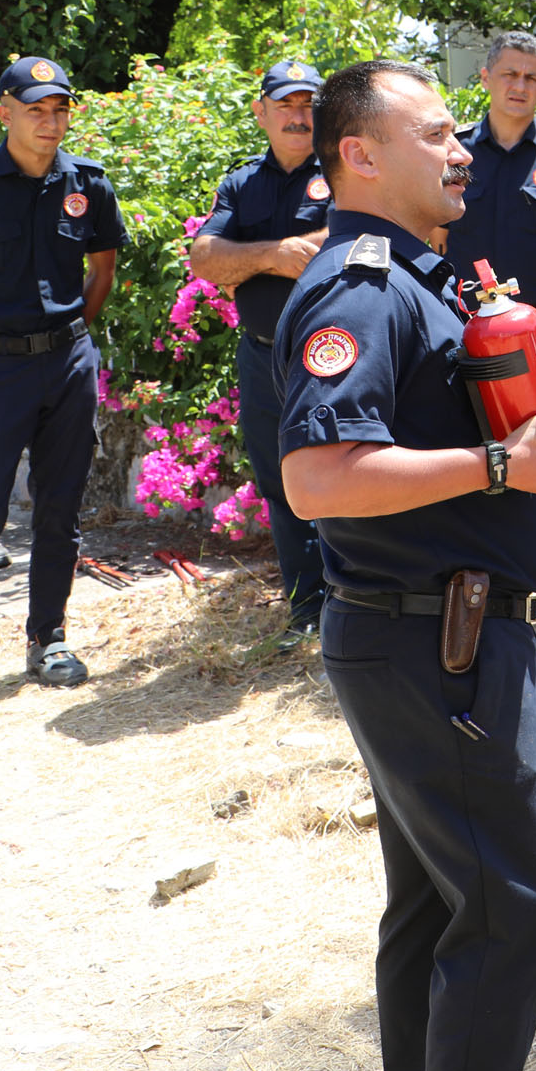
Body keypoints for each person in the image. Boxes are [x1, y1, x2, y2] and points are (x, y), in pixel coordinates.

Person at [278, 59, 536, 1071]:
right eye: (435, 133)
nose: (462, 151)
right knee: (512, 899)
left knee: (433, 901)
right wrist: (502, 469)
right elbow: (318, 475)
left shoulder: (420, 279)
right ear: (359, 155)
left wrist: (533, 417)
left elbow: (430, 420)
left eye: (459, 133)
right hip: (434, 642)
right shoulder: (359, 284)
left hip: (436, 634)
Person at [0, 57, 125, 708]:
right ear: (4, 111)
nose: (50, 120)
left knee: (59, 506)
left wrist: (65, 340)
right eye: (36, 108)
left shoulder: (88, 182)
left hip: (68, 364)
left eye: (60, 108)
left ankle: (49, 637)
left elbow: (101, 273)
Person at [442, 30, 536, 641]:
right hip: (466, 332)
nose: (519, 86)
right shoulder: (454, 158)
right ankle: (499, 584)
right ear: (486, 79)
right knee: (477, 455)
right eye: (509, 74)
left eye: (532, 77)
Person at [189, 59, 333, 652]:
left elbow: (359, 233)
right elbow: (205, 260)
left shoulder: (350, 167)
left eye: (308, 105)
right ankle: (306, 609)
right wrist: (275, 254)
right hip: (263, 354)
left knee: (347, 470)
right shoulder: (241, 184)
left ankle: (356, 602)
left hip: (331, 356)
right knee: (280, 482)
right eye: (286, 105)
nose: (299, 117)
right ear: (262, 113)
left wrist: (251, 254)